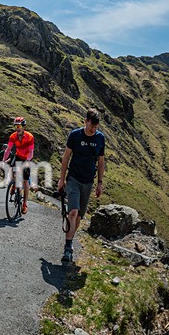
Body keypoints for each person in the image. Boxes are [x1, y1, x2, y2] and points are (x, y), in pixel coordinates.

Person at [57, 108, 105, 264]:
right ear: (85, 121)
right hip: (73, 179)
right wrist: (61, 179)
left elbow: (101, 161)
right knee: (73, 212)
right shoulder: (75, 135)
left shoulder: (100, 138)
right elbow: (66, 158)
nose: (93, 130)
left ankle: (70, 239)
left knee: (78, 217)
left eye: (96, 128)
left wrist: (99, 183)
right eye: (91, 127)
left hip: (88, 182)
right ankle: (68, 247)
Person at [2, 116, 35, 215]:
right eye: (16, 126)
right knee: (13, 171)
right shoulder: (13, 136)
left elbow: (31, 152)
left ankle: (24, 204)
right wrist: (3, 160)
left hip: (27, 158)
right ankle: (14, 185)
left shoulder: (30, 137)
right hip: (18, 156)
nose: (17, 128)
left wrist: (27, 161)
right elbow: (8, 150)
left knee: (25, 181)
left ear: (23, 126)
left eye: (19, 126)